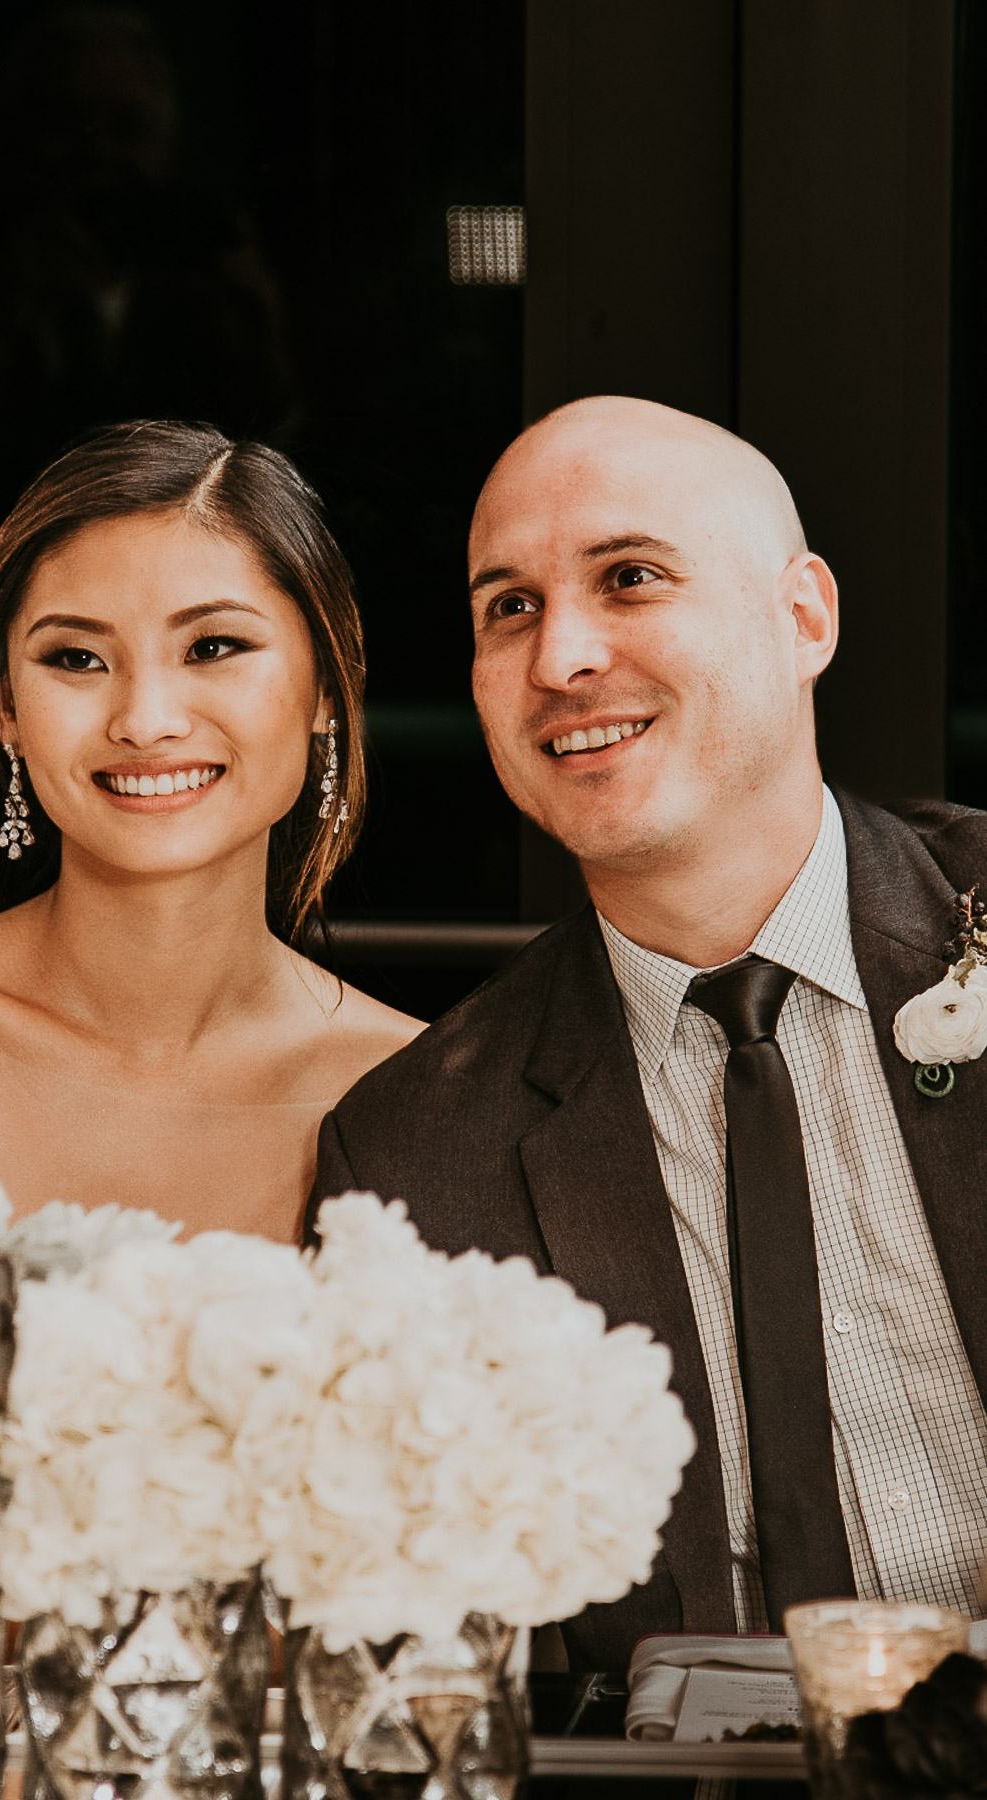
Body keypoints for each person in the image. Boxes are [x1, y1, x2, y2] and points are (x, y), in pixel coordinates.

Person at [310, 395, 987, 1671]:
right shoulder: (416, 1154)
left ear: (804, 619)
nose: (560, 656)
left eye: (628, 579)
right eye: (507, 606)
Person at [0, 419, 420, 1239]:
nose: (145, 722)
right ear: (7, 710)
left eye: (214, 646)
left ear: (327, 689)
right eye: (77, 659)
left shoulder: (426, 1092)